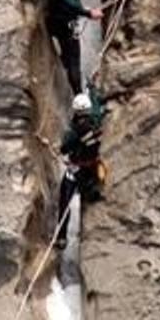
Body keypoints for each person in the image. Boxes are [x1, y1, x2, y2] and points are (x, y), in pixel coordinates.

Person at [46, 0, 102, 94]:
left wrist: (84, 9)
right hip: (65, 24)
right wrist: (89, 14)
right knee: (74, 61)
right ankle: (78, 95)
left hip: (55, 22)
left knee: (67, 58)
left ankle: (71, 89)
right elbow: (68, 5)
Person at [56, 88, 109, 247]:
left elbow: (64, 148)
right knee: (88, 190)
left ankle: (62, 237)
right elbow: (98, 109)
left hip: (76, 170)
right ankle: (92, 191)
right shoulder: (95, 123)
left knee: (65, 200)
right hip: (91, 169)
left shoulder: (76, 131)